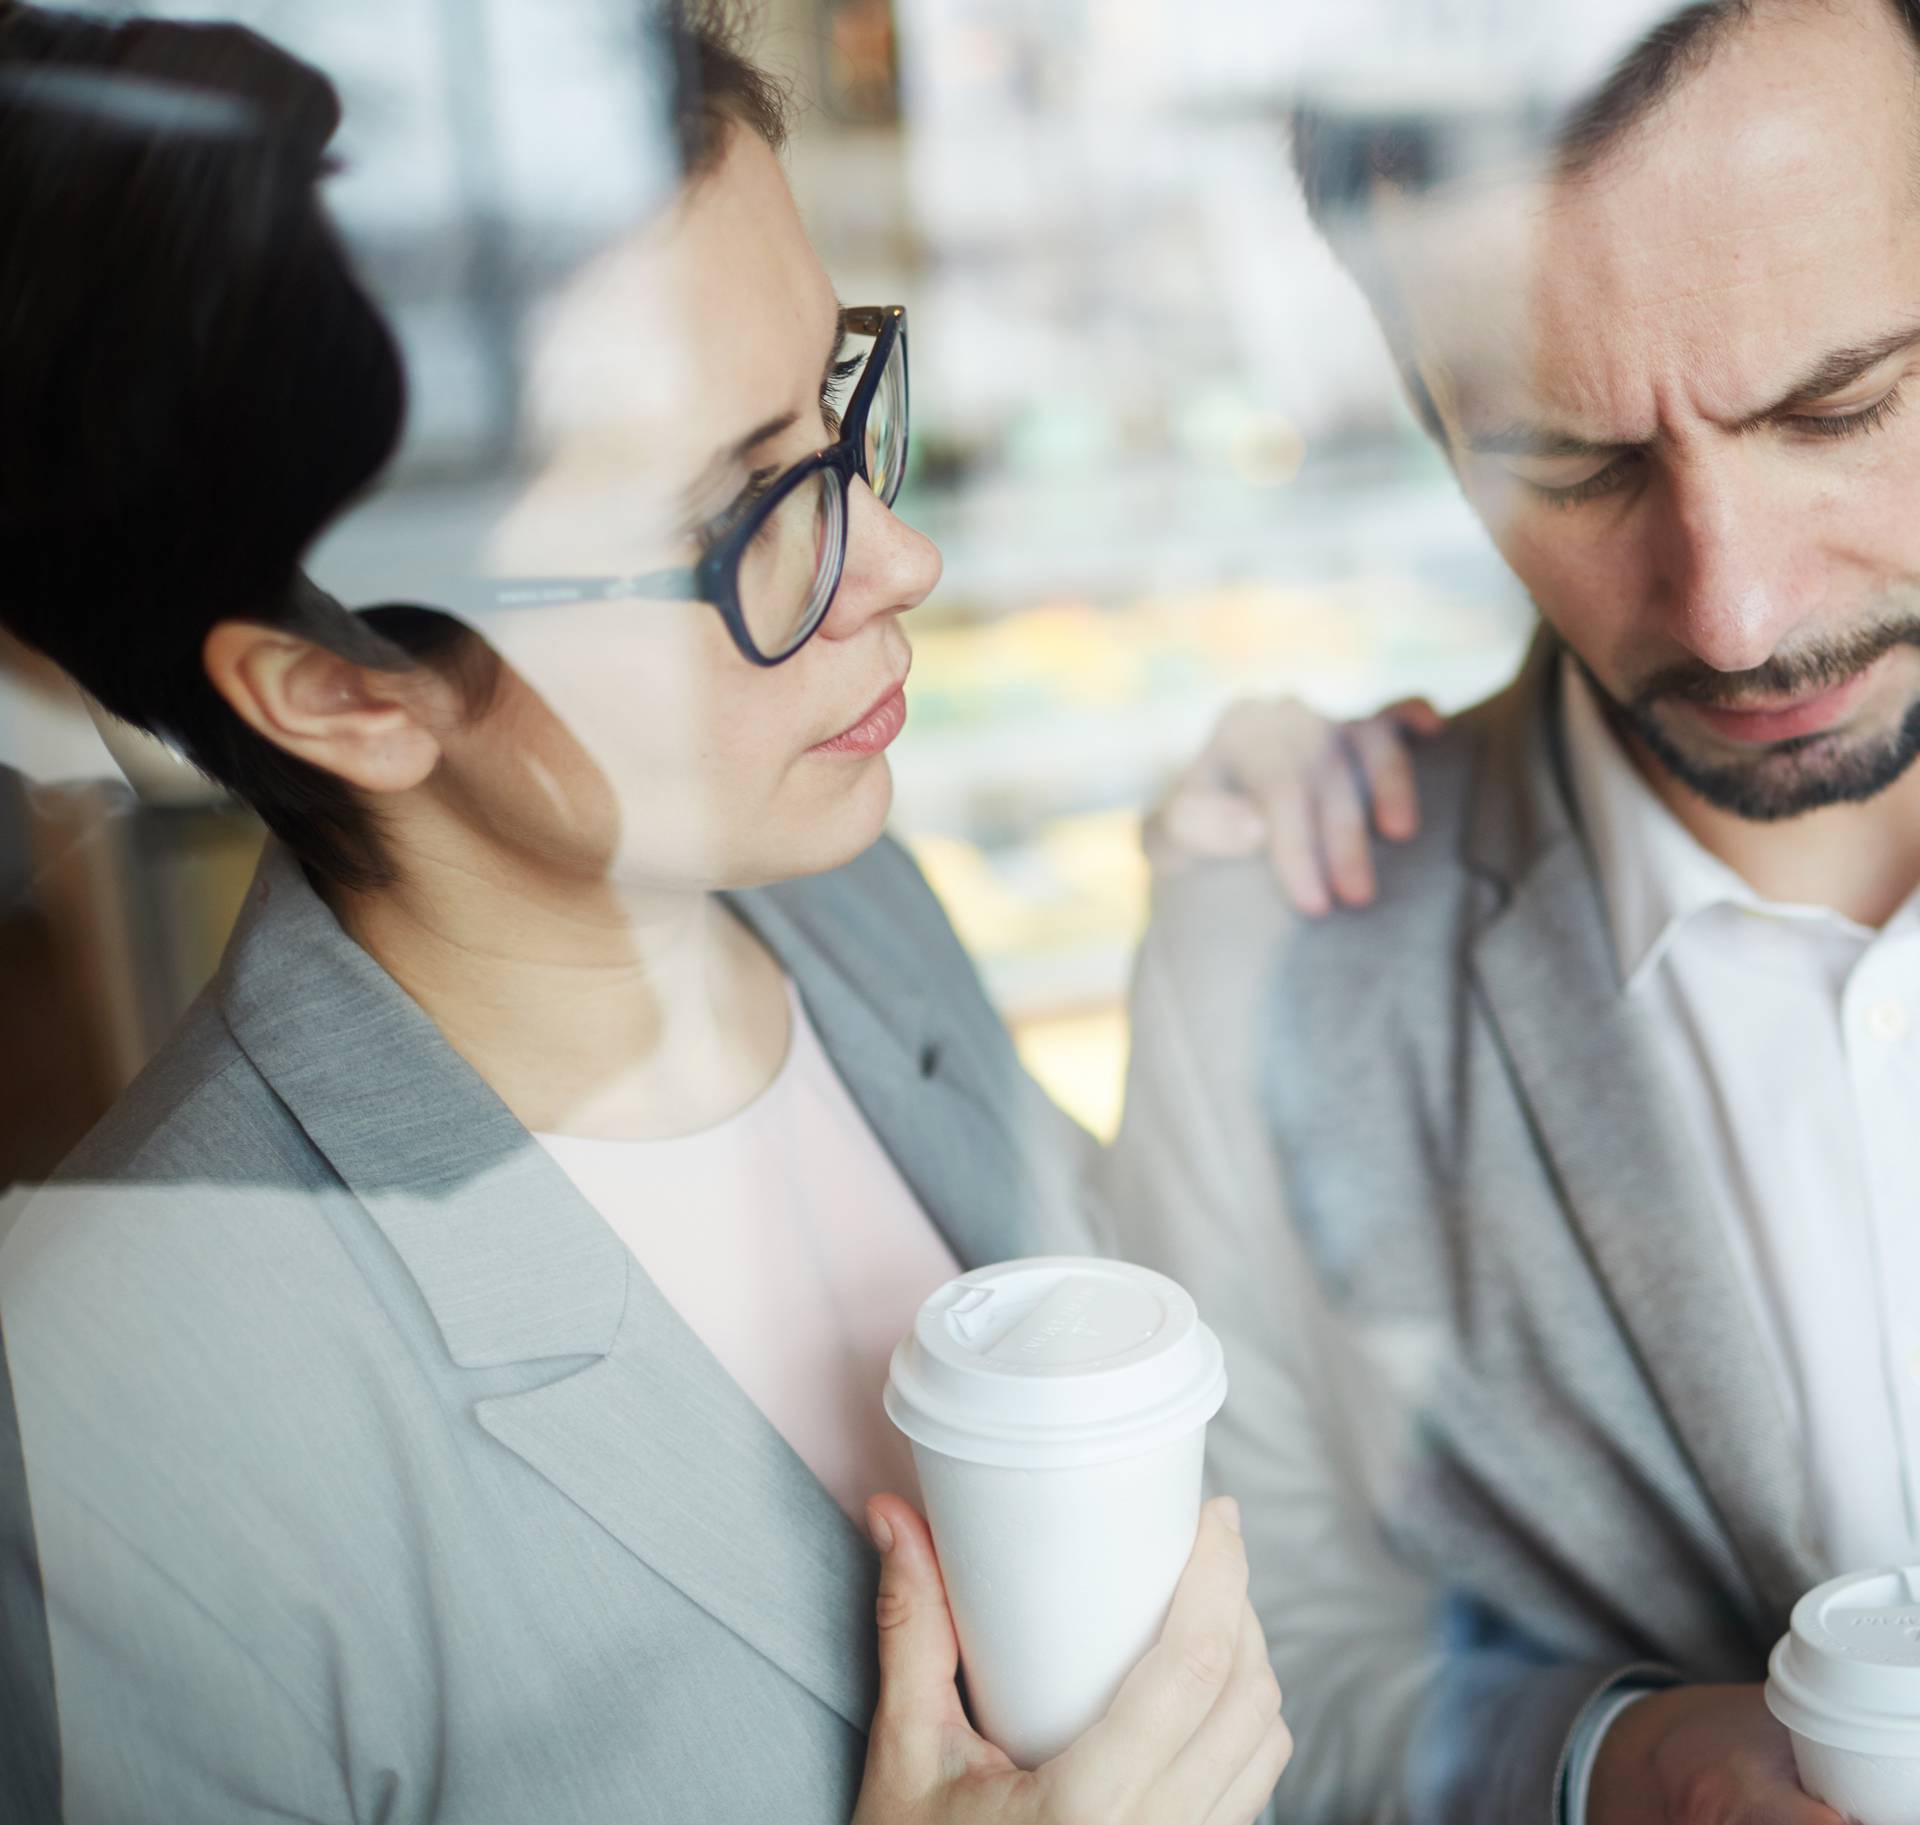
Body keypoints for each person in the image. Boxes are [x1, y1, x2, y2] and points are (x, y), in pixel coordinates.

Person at [0, 6, 1295, 1821]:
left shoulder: (849, 906)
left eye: (837, 405)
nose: (896, 560)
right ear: (344, 690)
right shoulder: (119, 1405)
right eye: (739, 507)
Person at [1111, 1, 1920, 1822]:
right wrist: (1615, 1760)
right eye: (1571, 464)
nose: (1734, 609)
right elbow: (1274, 1651)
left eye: (1841, 404)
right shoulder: (1279, 951)